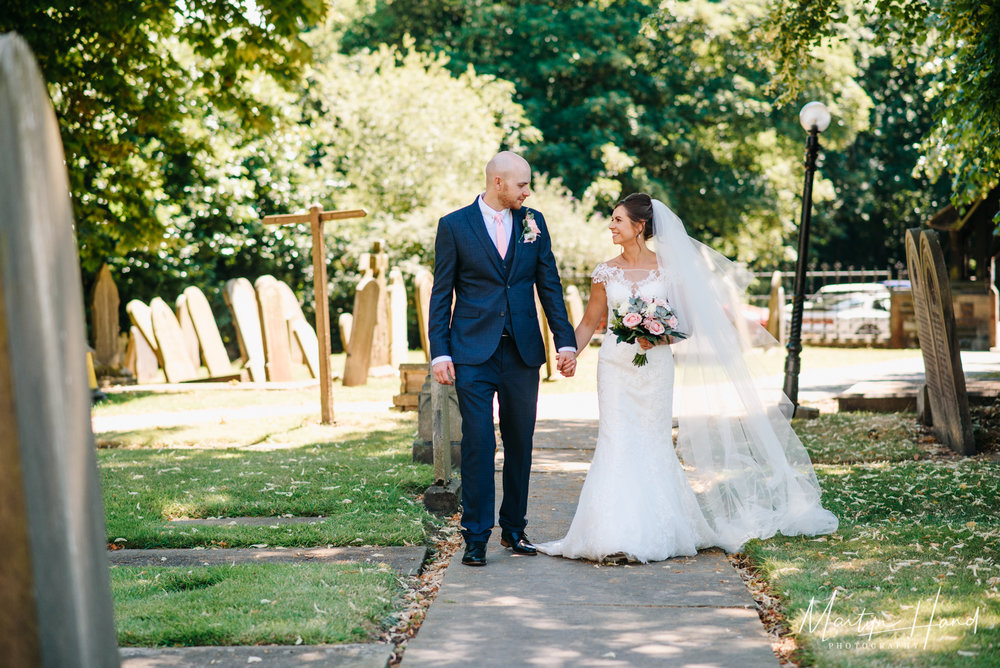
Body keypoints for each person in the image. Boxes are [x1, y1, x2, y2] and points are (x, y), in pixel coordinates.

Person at [537, 193, 839, 563]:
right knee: (615, 440)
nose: (611, 226)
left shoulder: (668, 270)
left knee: (651, 440)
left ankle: (657, 528)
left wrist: (657, 335)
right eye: (612, 220)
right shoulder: (604, 272)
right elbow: (588, 323)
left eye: (618, 220)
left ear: (639, 226)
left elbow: (687, 325)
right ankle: (608, 532)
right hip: (614, 366)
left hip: (655, 368)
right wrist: (569, 353)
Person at [428, 151, 578, 567]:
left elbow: (550, 284)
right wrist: (439, 352)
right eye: (522, 185)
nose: (527, 192)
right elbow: (442, 295)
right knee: (477, 442)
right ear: (498, 182)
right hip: (472, 352)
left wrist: (565, 343)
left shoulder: (534, 222)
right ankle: (475, 536)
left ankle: (514, 529)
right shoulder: (454, 225)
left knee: (520, 441)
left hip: (522, 352)